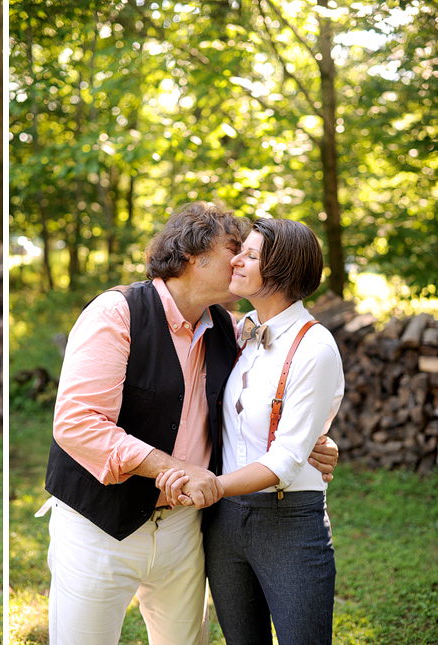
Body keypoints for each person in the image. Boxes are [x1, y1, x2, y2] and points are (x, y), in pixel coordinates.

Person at [44, 202, 339, 645]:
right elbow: (75, 423)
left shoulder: (231, 327)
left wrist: (318, 441)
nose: (240, 260)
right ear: (192, 255)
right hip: (99, 524)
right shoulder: (117, 312)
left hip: (184, 528)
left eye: (248, 253)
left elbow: (278, 390)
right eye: (232, 249)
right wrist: (168, 467)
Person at [158, 218, 344, 644]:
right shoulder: (234, 331)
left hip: (289, 523)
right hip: (223, 524)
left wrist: (212, 486)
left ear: (279, 271)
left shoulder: (315, 348)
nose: (235, 261)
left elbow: (285, 459)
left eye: (250, 255)